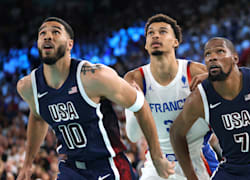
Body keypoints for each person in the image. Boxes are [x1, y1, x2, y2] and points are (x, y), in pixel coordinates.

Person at [16, 17, 174, 180]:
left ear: (70, 44)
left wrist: (157, 157)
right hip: (71, 168)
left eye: (55, 32)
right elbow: (37, 117)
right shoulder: (28, 87)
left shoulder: (95, 77)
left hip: (109, 166)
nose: (47, 36)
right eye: (42, 33)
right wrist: (27, 163)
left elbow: (140, 106)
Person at [170, 37, 250, 180]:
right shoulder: (200, 98)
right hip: (231, 168)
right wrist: (191, 176)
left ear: (235, 58)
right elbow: (176, 132)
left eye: (220, 51)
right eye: (208, 54)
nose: (213, 57)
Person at [124, 14, 219, 180]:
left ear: (175, 41)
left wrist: (215, 80)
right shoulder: (135, 78)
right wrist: (136, 104)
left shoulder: (197, 72)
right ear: (146, 44)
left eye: (162, 31)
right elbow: (133, 135)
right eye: (150, 33)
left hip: (198, 160)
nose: (155, 35)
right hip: (157, 163)